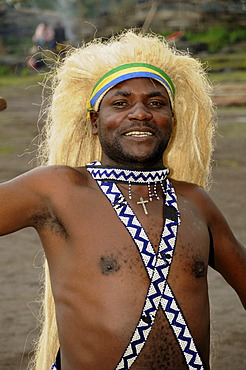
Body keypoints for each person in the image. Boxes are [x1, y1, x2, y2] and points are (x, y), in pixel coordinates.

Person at [1, 30, 245, 370]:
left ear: (172, 120)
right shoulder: (59, 188)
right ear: (95, 123)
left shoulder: (195, 201)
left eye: (156, 103)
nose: (141, 113)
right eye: (120, 103)